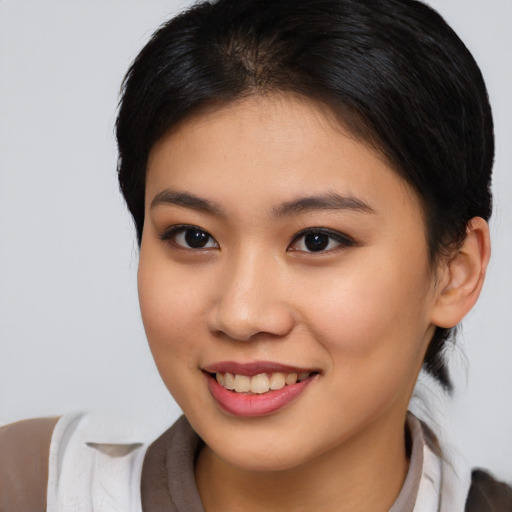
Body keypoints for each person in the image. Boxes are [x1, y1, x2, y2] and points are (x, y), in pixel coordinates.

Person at [1, 0, 511, 510]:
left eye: (317, 240)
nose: (241, 315)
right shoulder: (31, 489)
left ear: (454, 273)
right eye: (193, 236)